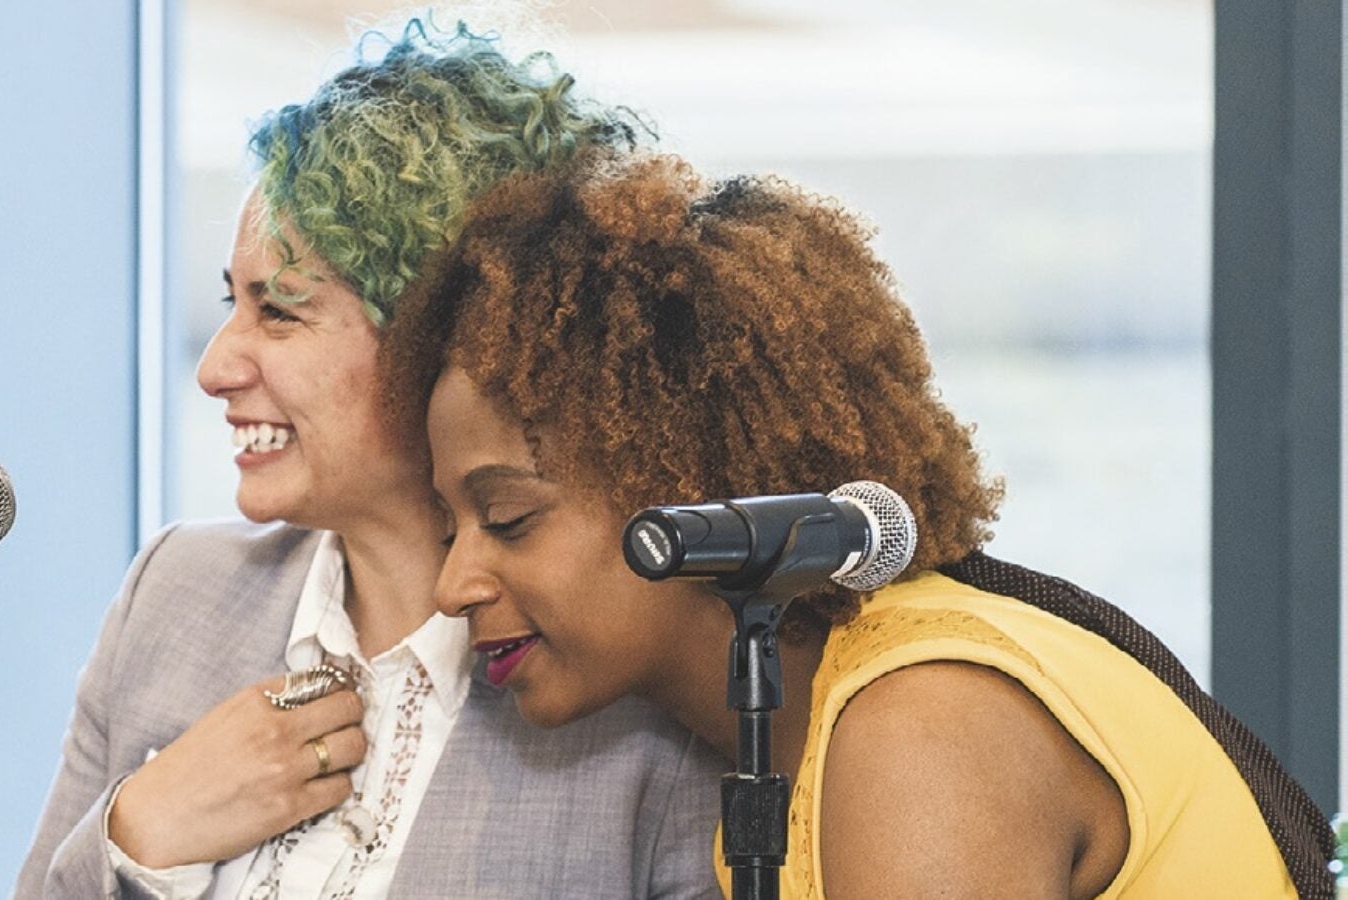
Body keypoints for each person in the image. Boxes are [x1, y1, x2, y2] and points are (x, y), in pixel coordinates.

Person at [382, 151, 1336, 898]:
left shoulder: (918, 728)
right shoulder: (797, 747)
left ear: (693, 481)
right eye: (448, 527)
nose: (454, 583)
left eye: (508, 517)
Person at [14, 21, 727, 899]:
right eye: (230, 304)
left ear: (441, 339)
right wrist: (139, 835)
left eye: (279, 312)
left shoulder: (635, 683)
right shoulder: (171, 596)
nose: (214, 370)